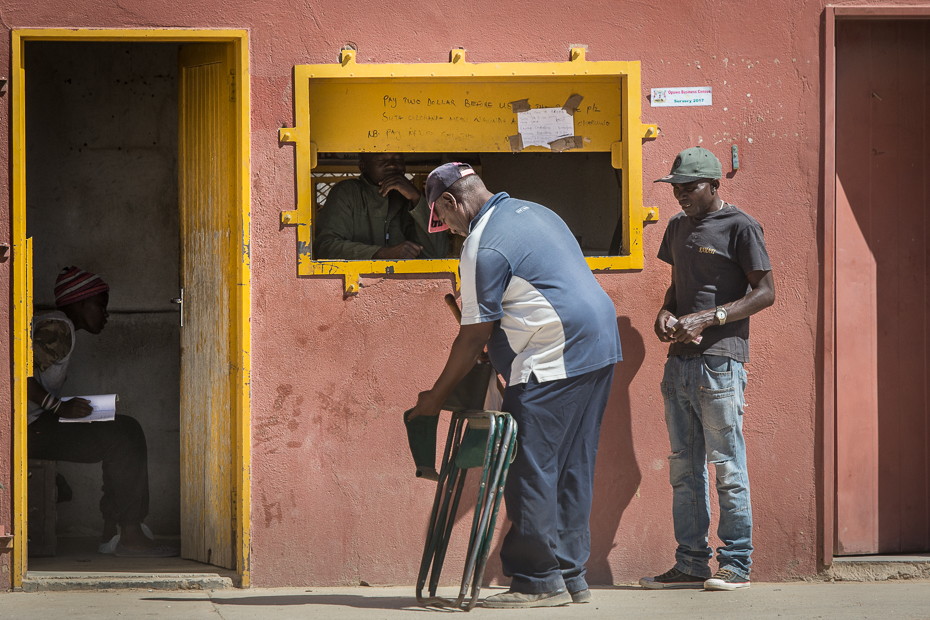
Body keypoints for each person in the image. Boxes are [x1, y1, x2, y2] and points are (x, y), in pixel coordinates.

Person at [408, 163, 622, 609]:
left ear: (451, 201)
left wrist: (434, 399)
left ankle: (536, 580)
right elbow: (535, 291)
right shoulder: (534, 211)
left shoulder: (481, 244)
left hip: (555, 353)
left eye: (443, 219)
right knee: (571, 466)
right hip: (599, 346)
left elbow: (473, 338)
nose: (446, 229)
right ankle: (570, 575)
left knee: (529, 469)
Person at [640, 147, 774, 591]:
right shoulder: (678, 227)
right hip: (678, 364)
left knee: (727, 465)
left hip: (720, 362)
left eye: (689, 186)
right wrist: (665, 312)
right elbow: (679, 286)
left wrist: (709, 317)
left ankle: (736, 563)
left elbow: (766, 292)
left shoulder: (741, 225)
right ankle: (692, 562)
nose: (681, 195)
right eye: (676, 187)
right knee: (684, 469)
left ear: (715, 184)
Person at [27, 266, 178, 558]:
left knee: (120, 429)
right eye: (101, 305)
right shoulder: (59, 328)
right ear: (80, 302)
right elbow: (13, 375)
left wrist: (69, 408)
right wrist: (59, 406)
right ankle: (128, 534)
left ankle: (116, 531)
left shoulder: (59, 327)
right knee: (125, 434)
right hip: (26, 429)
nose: (106, 314)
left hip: (35, 422)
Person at [314, 152, 450, 259]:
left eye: (398, 159)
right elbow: (325, 247)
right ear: (363, 167)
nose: (392, 165)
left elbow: (437, 253)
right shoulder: (347, 192)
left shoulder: (409, 199)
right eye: (381, 160)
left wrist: (416, 198)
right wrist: (383, 253)